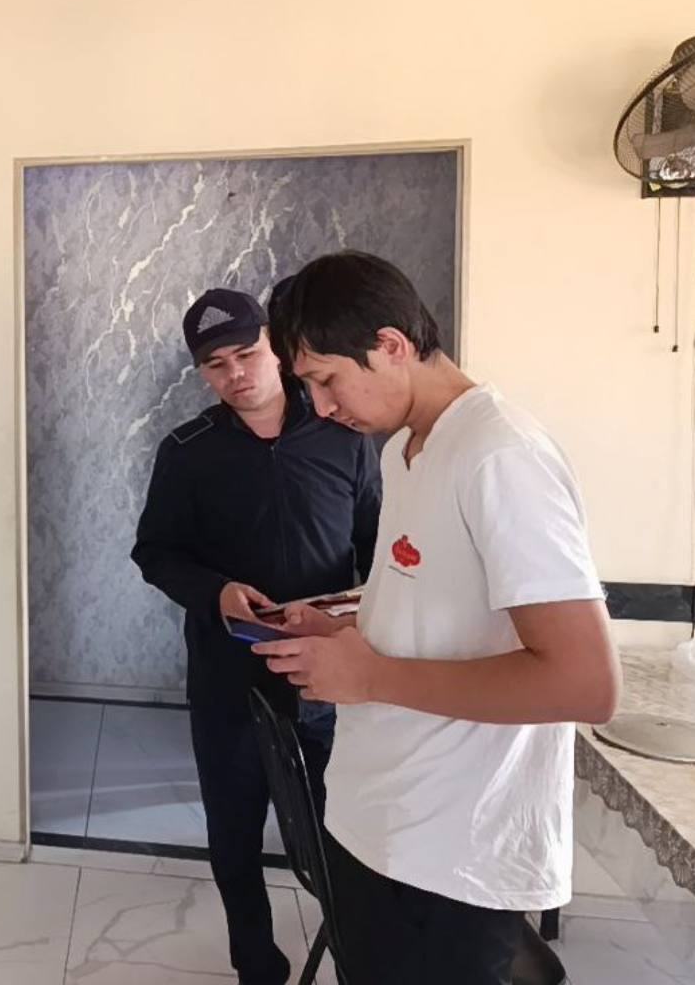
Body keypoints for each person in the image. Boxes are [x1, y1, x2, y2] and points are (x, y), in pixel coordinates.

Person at [259, 251, 620, 985]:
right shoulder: (406, 451)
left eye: (327, 380)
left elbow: (584, 683)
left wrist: (371, 677)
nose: (321, 408)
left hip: (451, 852)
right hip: (379, 819)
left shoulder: (500, 454)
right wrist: (344, 631)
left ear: (391, 345)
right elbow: (437, 606)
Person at [131, 287, 380, 985]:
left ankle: (357, 953)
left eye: (246, 353)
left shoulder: (343, 436)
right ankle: (257, 965)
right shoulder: (187, 451)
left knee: (341, 827)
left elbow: (377, 546)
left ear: (275, 347)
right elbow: (155, 552)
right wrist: (216, 592)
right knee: (235, 831)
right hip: (229, 675)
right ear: (203, 374)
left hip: (327, 672)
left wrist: (362, 625)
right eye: (216, 365)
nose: (236, 373)